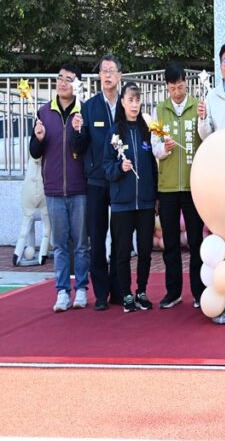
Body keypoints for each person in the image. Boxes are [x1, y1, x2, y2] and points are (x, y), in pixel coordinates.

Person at [30, 64, 88, 312]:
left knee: (82, 244)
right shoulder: (44, 112)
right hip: (54, 189)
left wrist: (78, 131)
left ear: (77, 85)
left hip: (80, 188)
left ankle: (82, 289)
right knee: (60, 244)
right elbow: (34, 152)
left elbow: (83, 148)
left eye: (69, 79)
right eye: (60, 78)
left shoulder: (83, 111)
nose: (63, 83)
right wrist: (38, 138)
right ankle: (62, 291)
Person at [151, 63, 206, 309]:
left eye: (180, 87)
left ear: (186, 83)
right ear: (167, 87)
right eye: (172, 88)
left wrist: (203, 118)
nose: (177, 92)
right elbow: (154, 148)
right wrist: (164, 149)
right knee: (171, 243)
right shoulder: (160, 111)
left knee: (195, 242)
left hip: (194, 187)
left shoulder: (197, 107)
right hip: (168, 187)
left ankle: (199, 291)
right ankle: (173, 292)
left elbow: (206, 137)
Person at [104, 82, 158, 313]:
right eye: (130, 100)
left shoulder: (148, 130)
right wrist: (120, 167)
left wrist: (155, 196)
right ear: (123, 103)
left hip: (145, 202)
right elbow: (106, 167)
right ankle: (126, 293)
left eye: (137, 100)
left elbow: (154, 166)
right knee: (123, 251)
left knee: (145, 250)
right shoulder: (115, 132)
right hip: (122, 204)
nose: (134, 105)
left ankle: (141, 291)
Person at [78, 55, 121, 310]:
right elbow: (79, 144)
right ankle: (101, 293)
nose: (107, 75)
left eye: (111, 70)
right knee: (97, 236)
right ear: (99, 76)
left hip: (120, 179)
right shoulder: (89, 107)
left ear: (119, 75)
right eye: (103, 71)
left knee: (119, 237)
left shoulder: (126, 105)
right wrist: (77, 130)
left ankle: (118, 290)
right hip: (96, 181)